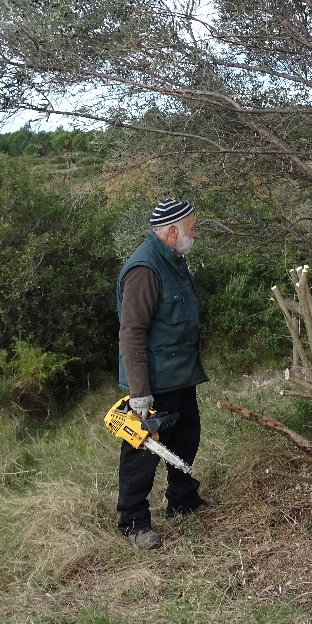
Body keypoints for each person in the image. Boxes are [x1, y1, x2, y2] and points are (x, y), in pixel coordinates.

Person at [115, 198, 210, 549]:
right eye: (192, 228)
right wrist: (140, 393)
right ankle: (133, 522)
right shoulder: (144, 270)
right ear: (172, 232)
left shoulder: (174, 260)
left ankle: (182, 501)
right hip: (154, 380)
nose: (195, 234)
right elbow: (132, 331)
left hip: (180, 373)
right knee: (141, 455)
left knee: (186, 438)